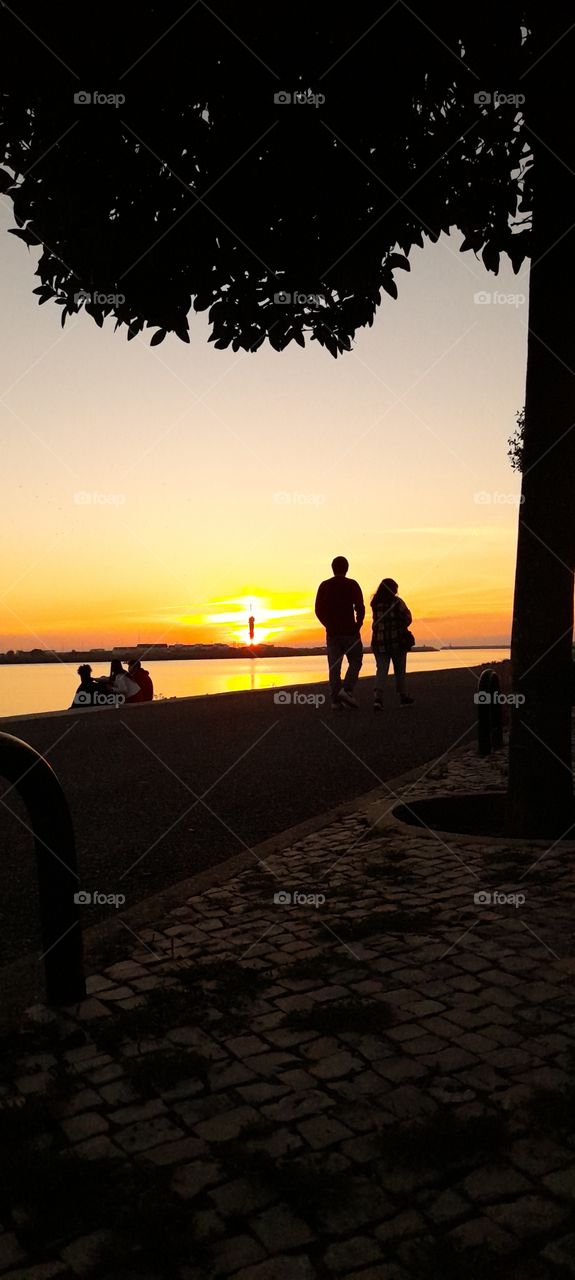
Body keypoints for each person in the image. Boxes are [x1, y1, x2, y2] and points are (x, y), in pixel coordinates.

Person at [315, 556, 365, 707]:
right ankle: (347, 690)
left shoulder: (324, 585)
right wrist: (358, 624)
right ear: (347, 568)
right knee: (356, 661)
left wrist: (328, 624)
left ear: (332, 567)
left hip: (333, 633)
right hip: (350, 631)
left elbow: (318, 610)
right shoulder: (352, 584)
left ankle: (335, 700)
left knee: (334, 666)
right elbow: (360, 606)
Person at [371, 577, 415, 710]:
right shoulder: (397, 602)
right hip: (397, 641)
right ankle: (403, 697)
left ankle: (378, 699)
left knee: (381, 670)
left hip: (379, 642)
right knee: (399, 670)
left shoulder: (375, 604)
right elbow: (408, 619)